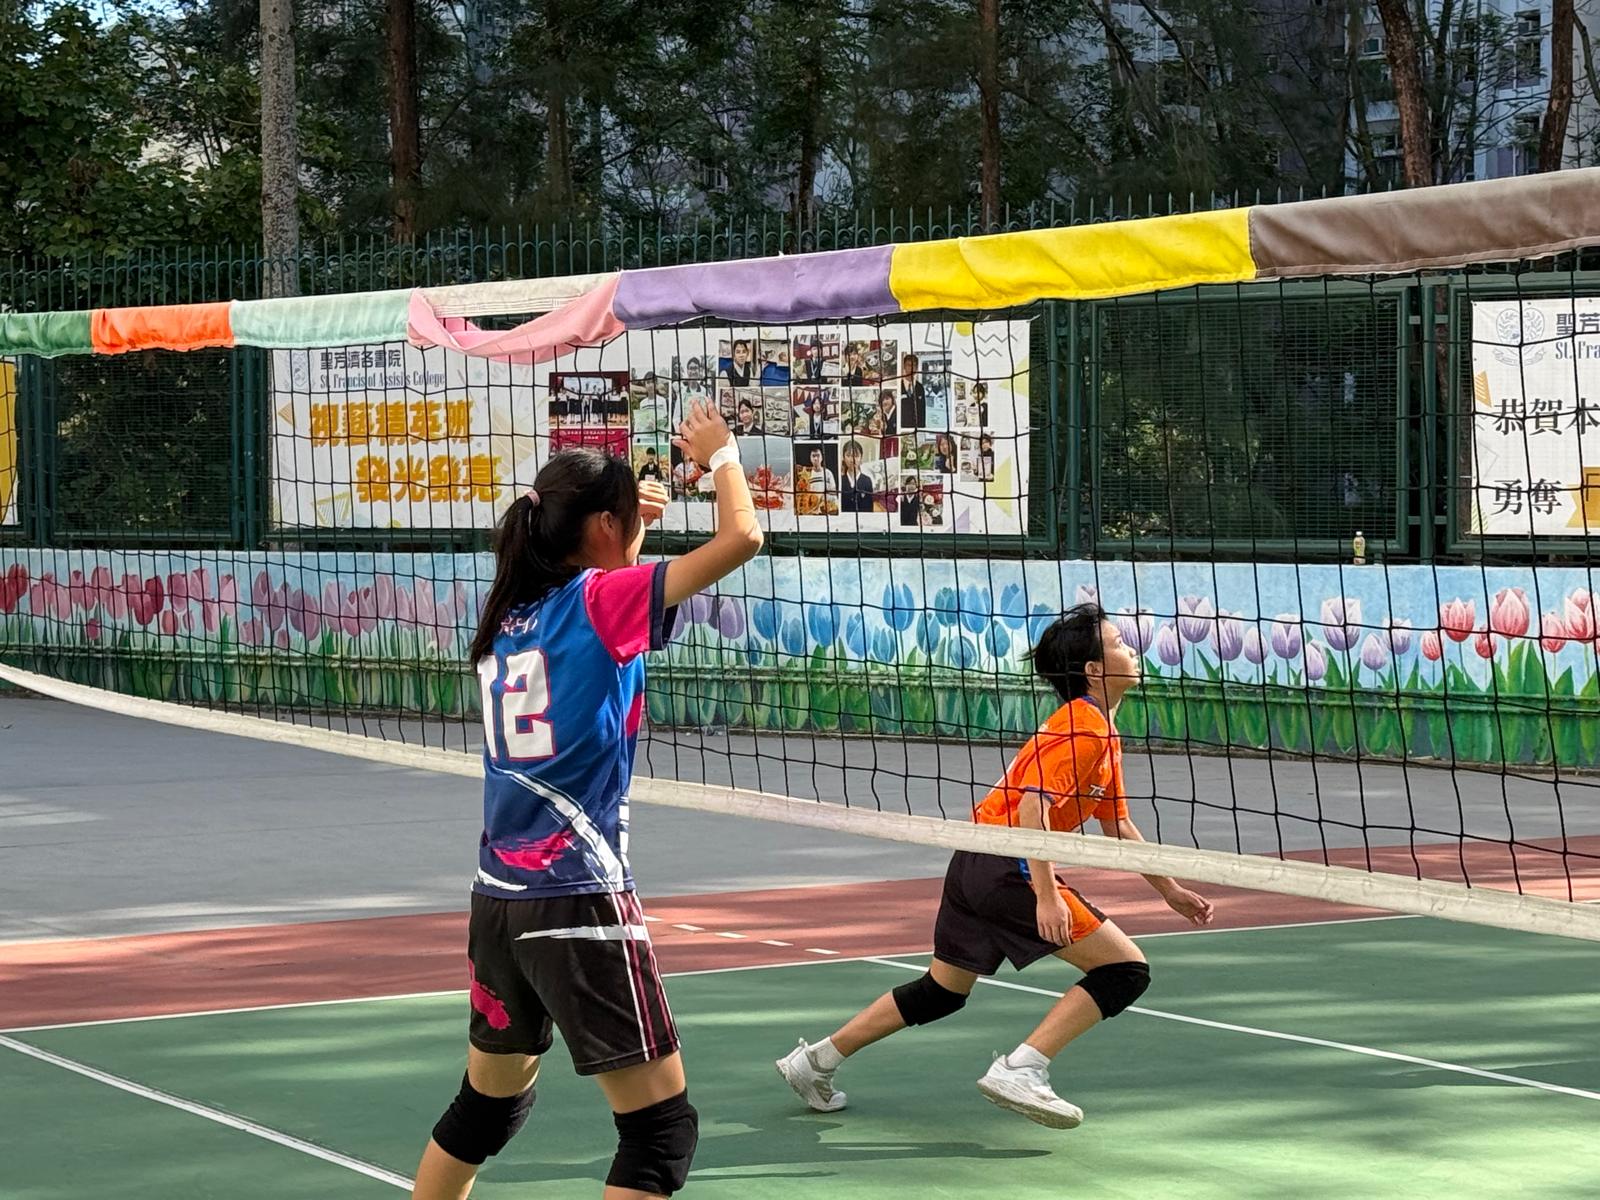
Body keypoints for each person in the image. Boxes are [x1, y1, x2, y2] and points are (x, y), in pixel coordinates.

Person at [410, 402, 762, 1200]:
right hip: (578, 901)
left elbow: (619, 595)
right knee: (660, 1132)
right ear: (603, 528)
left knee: (486, 1110)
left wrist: (629, 529)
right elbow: (742, 538)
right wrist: (722, 457)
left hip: (499, 903)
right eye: (625, 522)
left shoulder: (509, 617)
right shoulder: (602, 602)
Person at [776, 604, 1214, 1130]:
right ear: (1094, 669)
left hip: (976, 861)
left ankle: (816, 1061)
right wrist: (1047, 896)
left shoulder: (1100, 730)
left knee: (942, 992)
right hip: (1009, 866)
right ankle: (1023, 1068)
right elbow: (1033, 808)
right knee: (1124, 970)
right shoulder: (1083, 728)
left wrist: (1170, 891)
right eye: (1120, 642)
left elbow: (1117, 826)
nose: (1132, 650)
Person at [840, 440, 875, 513]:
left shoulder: (867, 481)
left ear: (861, 458)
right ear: (843, 457)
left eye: (856, 456)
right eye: (848, 455)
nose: (852, 460)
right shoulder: (840, 481)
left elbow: (869, 509)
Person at [899, 353, 926, 429]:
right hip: (902, 428)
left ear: (916, 368)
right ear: (904, 367)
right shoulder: (899, 386)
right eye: (909, 365)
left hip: (916, 428)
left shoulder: (920, 387)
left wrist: (922, 428)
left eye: (914, 365)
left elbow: (922, 411)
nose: (911, 368)